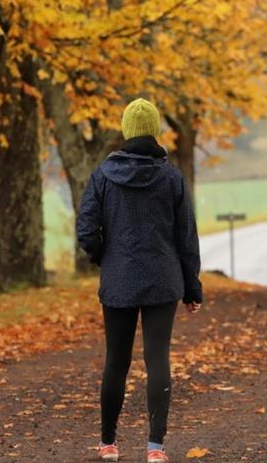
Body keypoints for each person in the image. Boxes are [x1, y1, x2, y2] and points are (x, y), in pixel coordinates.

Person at [77, 98, 203, 463]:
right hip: (163, 279)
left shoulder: (103, 176)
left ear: (125, 131)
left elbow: (87, 229)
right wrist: (192, 287)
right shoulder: (171, 177)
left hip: (117, 281)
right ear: (156, 132)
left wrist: (104, 256)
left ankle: (108, 444)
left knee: (116, 360)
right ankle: (155, 448)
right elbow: (186, 237)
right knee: (157, 357)